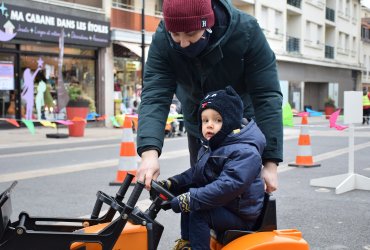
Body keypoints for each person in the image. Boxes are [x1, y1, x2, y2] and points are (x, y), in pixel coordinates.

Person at [136, 0, 282, 194]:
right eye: (176, 35)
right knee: (201, 192)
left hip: (242, 129)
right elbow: (155, 95)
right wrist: (149, 153)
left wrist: (270, 163)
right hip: (201, 128)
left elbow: (266, 95)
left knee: (241, 200)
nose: (183, 43)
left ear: (208, 24)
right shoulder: (163, 40)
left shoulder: (246, 31)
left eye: (190, 34)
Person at [159, 86, 265, 249]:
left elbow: (227, 186)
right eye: (205, 120)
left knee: (198, 210)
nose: (209, 125)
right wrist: (174, 183)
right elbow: (196, 172)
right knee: (191, 196)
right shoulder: (215, 145)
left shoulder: (245, 151)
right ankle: (187, 242)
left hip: (240, 215)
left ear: (230, 122)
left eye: (217, 120)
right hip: (225, 205)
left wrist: (190, 199)